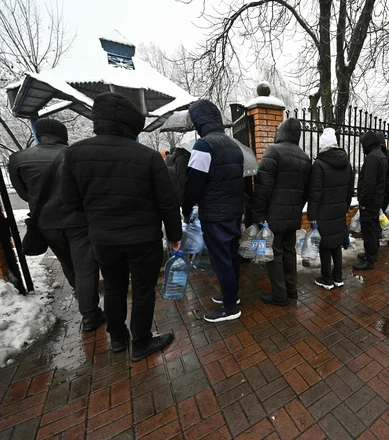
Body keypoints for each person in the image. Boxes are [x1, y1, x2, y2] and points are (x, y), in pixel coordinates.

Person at [60, 92, 181, 361]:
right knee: (142, 290)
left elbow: (71, 201)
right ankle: (141, 342)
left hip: (104, 238)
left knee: (114, 288)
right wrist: (175, 235)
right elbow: (167, 202)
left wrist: (97, 218)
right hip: (143, 238)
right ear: (131, 123)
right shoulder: (148, 157)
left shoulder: (75, 154)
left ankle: (117, 338)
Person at [9, 119, 102, 332]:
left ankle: (84, 301)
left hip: (46, 223)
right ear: (63, 134)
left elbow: (25, 194)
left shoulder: (18, 160)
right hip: (79, 221)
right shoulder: (76, 154)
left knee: (67, 263)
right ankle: (89, 315)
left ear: (38, 134)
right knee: (86, 267)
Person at [181, 100, 244, 322]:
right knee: (231, 256)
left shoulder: (203, 146)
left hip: (216, 214)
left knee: (221, 260)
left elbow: (193, 184)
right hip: (234, 211)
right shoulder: (234, 145)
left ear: (199, 121)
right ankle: (231, 296)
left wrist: (186, 209)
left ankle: (229, 308)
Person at [253, 118, 312, 305]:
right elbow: (306, 190)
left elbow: (263, 187)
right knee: (289, 252)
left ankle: (279, 295)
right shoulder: (305, 157)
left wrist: (259, 213)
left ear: (281, 132)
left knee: (275, 254)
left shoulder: (273, 151)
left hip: (273, 216)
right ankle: (291, 290)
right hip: (292, 215)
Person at [307, 128, 354, 290]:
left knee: (325, 245)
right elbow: (349, 190)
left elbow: (315, 192)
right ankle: (338, 277)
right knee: (336, 244)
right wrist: (345, 207)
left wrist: (312, 214)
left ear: (323, 146)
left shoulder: (319, 165)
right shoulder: (347, 163)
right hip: (340, 211)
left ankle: (326, 279)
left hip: (323, 212)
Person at [353, 132, 387, 270]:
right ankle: (371, 252)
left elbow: (368, 183)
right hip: (376, 199)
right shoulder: (381, 155)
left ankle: (370, 259)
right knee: (373, 227)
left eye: (362, 144)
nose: (361, 147)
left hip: (370, 202)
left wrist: (363, 201)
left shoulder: (372, 158)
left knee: (368, 229)